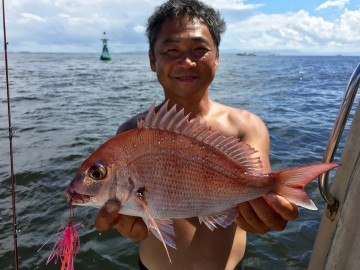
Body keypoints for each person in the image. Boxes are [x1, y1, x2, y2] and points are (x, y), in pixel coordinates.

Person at [95, 0, 299, 269]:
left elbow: (263, 194)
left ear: (217, 57)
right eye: (171, 49)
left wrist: (271, 210)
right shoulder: (134, 132)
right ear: (151, 59)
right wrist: (124, 222)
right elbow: (132, 209)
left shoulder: (246, 126)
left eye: (200, 49)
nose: (187, 61)